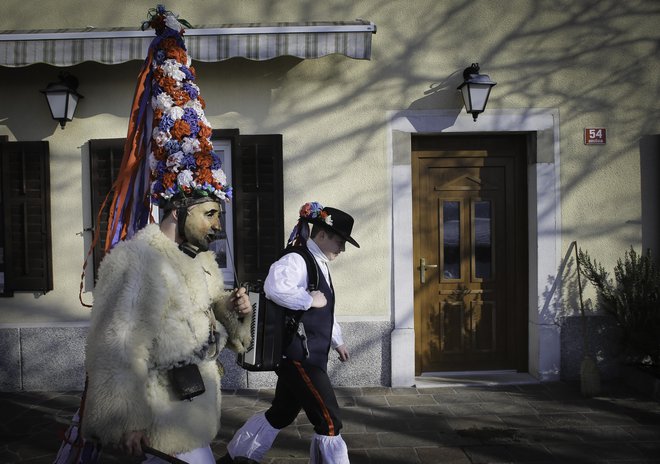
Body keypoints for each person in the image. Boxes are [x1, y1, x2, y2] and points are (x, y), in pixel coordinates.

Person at [79, 6, 252, 464]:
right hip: (158, 423)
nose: (219, 224)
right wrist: (127, 420)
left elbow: (233, 337)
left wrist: (241, 313)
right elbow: (117, 347)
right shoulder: (137, 260)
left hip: (195, 415)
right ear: (178, 207)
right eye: (212, 213)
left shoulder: (203, 262)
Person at [219, 201, 360, 464]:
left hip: (310, 356)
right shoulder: (296, 259)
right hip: (299, 357)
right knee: (329, 421)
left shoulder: (319, 263)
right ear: (321, 234)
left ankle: (237, 457)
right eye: (340, 240)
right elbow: (275, 288)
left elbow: (325, 311)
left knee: (282, 413)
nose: (342, 248)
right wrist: (309, 300)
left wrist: (337, 340)